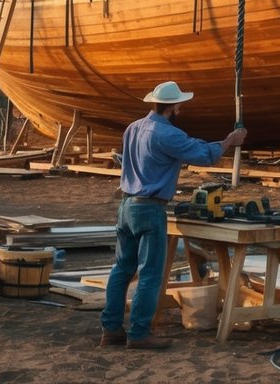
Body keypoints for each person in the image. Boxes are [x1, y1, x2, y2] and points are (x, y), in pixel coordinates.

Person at [99, 81, 248, 350]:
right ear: (175, 106)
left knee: (121, 269)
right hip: (149, 208)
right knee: (150, 274)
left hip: (126, 205)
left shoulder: (134, 128)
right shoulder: (167, 134)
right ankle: (139, 332)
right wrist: (228, 141)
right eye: (180, 104)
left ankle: (111, 330)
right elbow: (203, 154)